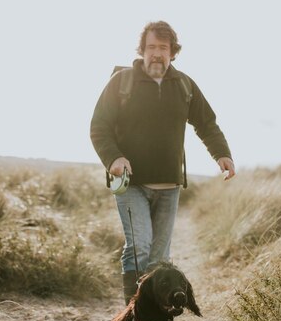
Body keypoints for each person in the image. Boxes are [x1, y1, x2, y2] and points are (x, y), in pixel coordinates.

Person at [90, 20, 235, 304]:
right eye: (152, 47)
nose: (157, 53)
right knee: (139, 248)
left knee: (159, 258)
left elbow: (206, 124)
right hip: (131, 184)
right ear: (142, 50)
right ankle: (132, 315)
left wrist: (222, 154)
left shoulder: (184, 85)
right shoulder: (121, 83)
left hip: (169, 186)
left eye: (163, 48)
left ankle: (154, 318)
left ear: (173, 52)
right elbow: (99, 126)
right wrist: (113, 158)